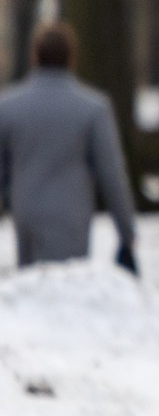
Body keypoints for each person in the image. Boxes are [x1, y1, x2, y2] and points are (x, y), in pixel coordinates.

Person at [0, 21, 140, 272]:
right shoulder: (93, 108)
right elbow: (112, 175)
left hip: (26, 213)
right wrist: (126, 232)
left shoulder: (9, 106)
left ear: (35, 56)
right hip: (71, 217)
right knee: (66, 287)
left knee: (30, 287)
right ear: (72, 57)